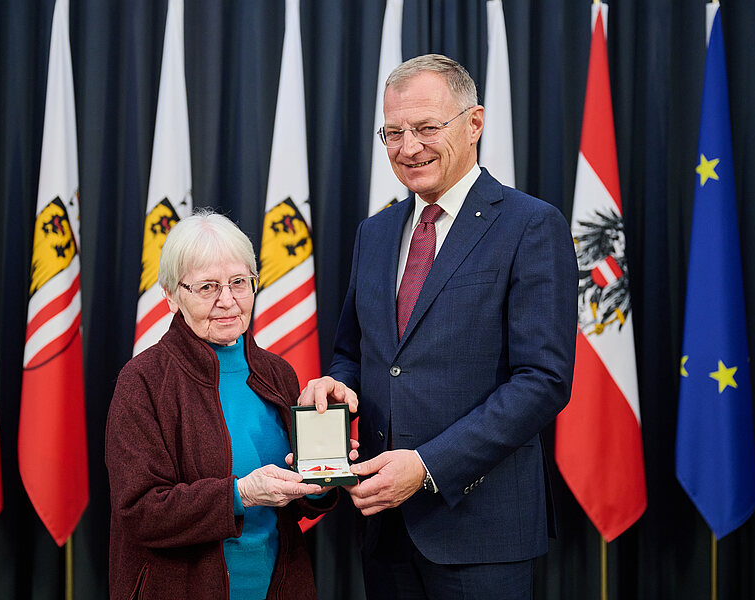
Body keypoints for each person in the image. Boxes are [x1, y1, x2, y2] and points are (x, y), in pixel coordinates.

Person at [300, 54, 578, 598]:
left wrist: (427, 467)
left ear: (474, 123)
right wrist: (338, 385)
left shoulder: (531, 225)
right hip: (385, 531)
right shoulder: (374, 233)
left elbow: (542, 380)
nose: (408, 148)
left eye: (427, 128)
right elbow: (352, 353)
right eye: (394, 132)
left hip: (483, 535)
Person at [106, 210, 343, 600]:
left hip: (279, 585)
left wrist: (320, 480)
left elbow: (298, 505)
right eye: (207, 288)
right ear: (171, 296)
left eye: (239, 282)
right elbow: (140, 512)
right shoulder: (142, 381)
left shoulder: (277, 373)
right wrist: (242, 494)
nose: (227, 301)